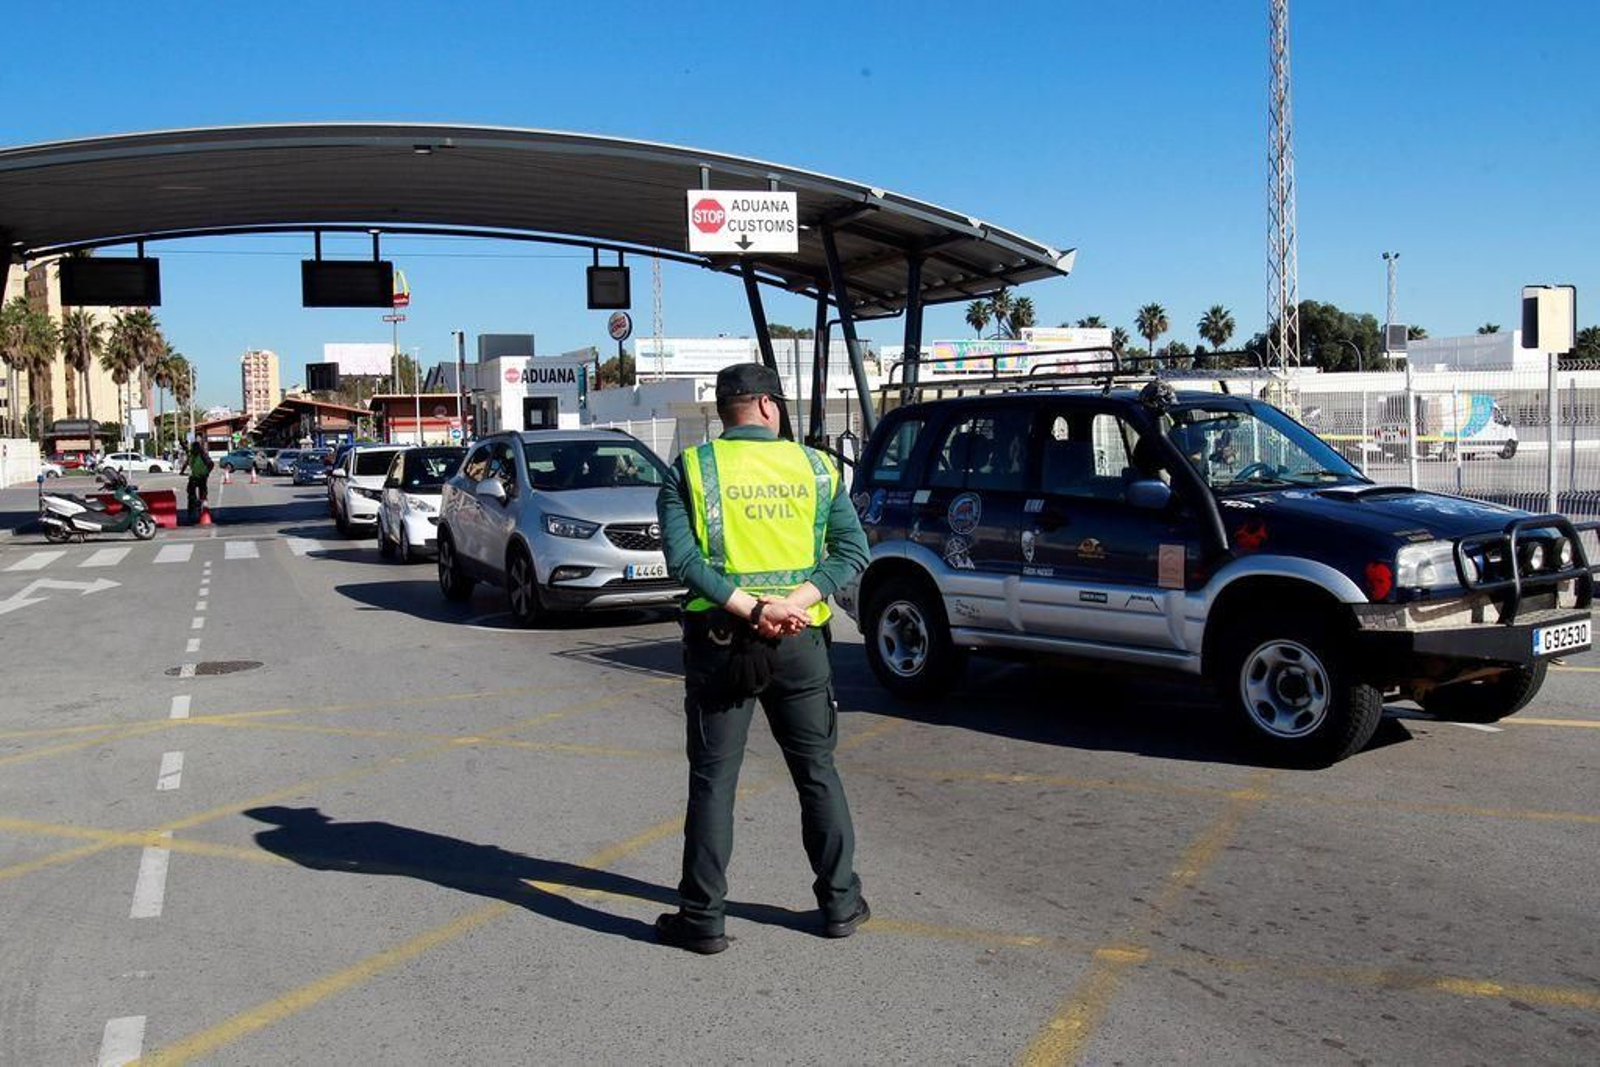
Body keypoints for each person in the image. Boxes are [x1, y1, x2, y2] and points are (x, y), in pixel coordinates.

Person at [654, 362, 871, 955]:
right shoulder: (818, 468)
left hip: (722, 642)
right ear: (770, 406)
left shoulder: (692, 469)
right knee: (816, 773)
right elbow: (852, 550)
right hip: (800, 642)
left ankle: (703, 918)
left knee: (713, 781)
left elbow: (683, 560)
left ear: (723, 412)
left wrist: (752, 609)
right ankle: (840, 904)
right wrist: (792, 604)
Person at [185, 440, 213, 521]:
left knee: (199, 493)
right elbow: (186, 463)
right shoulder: (193, 455)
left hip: (200, 477)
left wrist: (207, 472)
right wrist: (182, 471)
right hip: (197, 477)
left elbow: (211, 464)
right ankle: (195, 509)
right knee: (193, 492)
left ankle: (200, 510)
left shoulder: (201, 455)